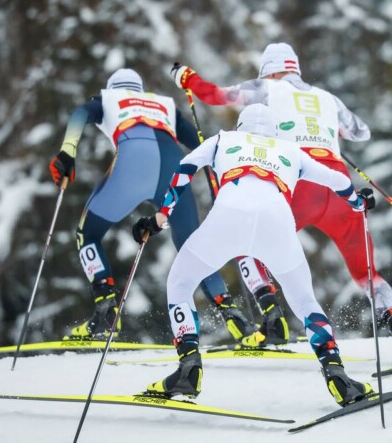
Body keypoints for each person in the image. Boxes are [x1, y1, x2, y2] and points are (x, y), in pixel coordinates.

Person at [168, 43, 392, 359]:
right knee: (366, 272)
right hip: (336, 183)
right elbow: (359, 132)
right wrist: (326, 129)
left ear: (268, 70)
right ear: (295, 68)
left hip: (299, 183)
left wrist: (185, 76)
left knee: (249, 246)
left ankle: (272, 317)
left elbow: (215, 95)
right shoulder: (328, 98)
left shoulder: (266, 87)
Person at [132, 104, 374, 406]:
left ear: (241, 126)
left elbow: (185, 169)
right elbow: (338, 181)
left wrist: (159, 217)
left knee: (180, 285)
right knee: (305, 302)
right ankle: (337, 375)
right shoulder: (291, 150)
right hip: (277, 222)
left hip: (229, 216)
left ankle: (188, 369)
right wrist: (357, 203)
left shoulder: (223, 140)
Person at [48, 68, 253, 342]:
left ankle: (106, 311)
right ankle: (229, 310)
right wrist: (219, 177)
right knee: (192, 244)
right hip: (171, 166)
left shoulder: (107, 98)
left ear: (113, 86)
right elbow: (198, 143)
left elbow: (78, 115)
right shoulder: (164, 103)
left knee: (88, 235)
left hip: (132, 161)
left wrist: (67, 151)